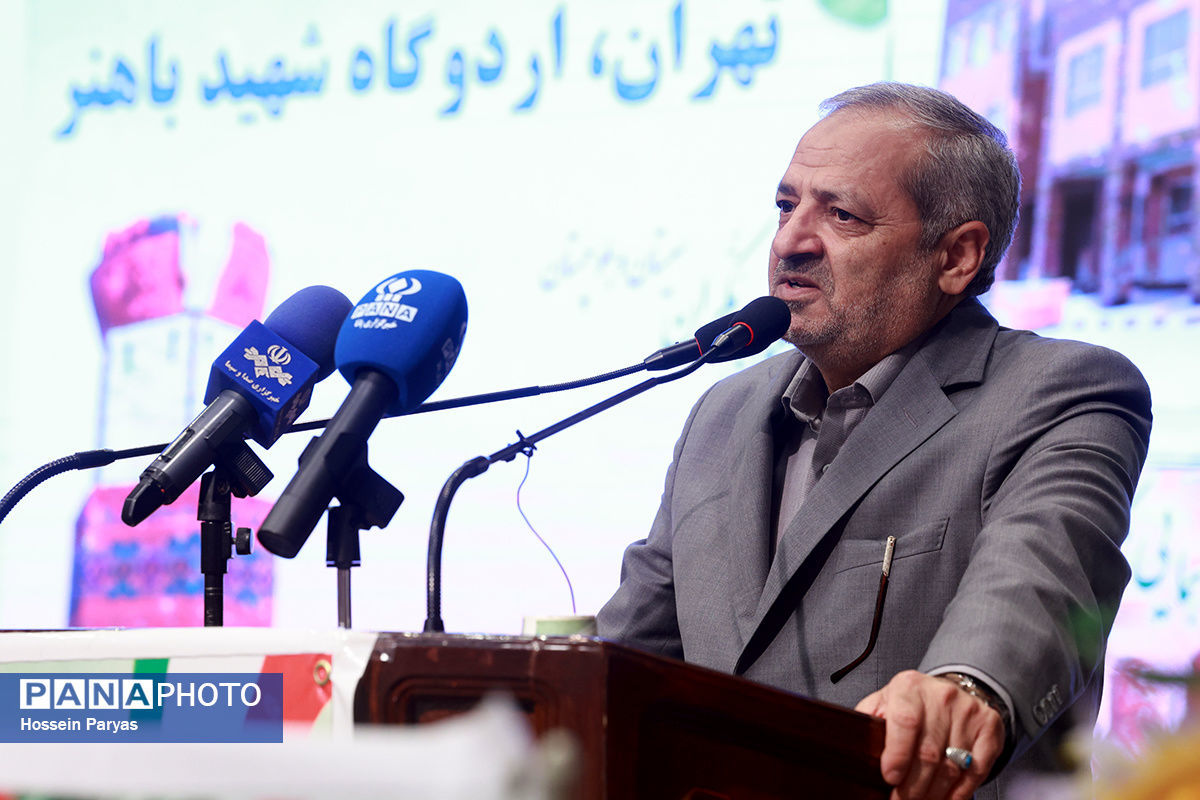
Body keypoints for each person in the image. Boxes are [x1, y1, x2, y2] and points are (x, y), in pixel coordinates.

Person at [596, 82, 1153, 800]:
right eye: (786, 205)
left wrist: (964, 688)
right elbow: (625, 658)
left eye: (842, 215)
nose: (790, 241)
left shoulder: (1059, 392)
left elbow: (1044, 576)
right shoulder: (722, 414)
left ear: (956, 256)